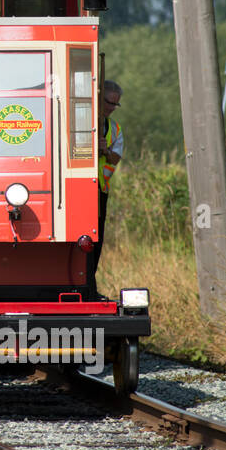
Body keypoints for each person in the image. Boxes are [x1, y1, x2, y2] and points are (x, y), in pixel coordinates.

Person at [87, 79, 123, 294]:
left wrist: (105, 150)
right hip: (80, 189)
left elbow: (116, 158)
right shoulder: (82, 121)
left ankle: (90, 287)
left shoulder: (115, 129)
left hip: (100, 191)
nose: (111, 108)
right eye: (108, 102)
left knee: (96, 241)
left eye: (115, 104)